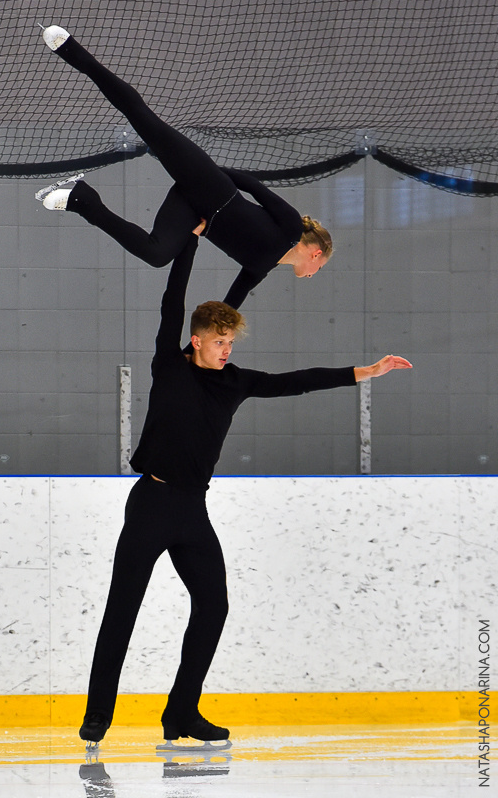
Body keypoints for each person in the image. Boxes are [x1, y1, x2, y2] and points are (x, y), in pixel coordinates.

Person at [77, 222, 412, 746]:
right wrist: (187, 241)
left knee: (214, 606)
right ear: (197, 340)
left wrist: (361, 372)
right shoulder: (169, 366)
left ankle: (181, 713)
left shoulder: (236, 382)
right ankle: (98, 714)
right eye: (219, 342)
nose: (226, 350)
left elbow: (294, 382)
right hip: (151, 501)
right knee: (123, 607)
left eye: (231, 342)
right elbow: (173, 299)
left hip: (192, 510)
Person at [38, 25, 332, 309]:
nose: (312, 274)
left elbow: (228, 309)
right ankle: (69, 48)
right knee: (142, 118)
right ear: (316, 254)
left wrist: (200, 348)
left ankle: (83, 201)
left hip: (194, 211)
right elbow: (253, 186)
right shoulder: (291, 225)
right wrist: (210, 172)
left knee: (157, 254)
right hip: (210, 185)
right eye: (318, 268)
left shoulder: (260, 268)